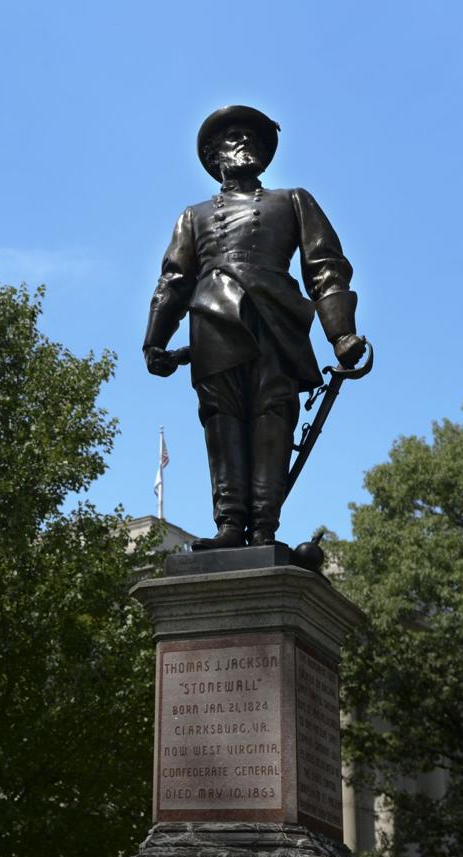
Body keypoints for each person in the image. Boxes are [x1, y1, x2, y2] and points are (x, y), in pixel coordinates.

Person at [143, 105, 366, 550]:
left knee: (272, 417)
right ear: (212, 155)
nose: (245, 143)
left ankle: (264, 527)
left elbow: (325, 267)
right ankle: (229, 525)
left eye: (253, 138)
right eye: (233, 137)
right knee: (221, 420)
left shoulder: (293, 200)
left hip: (276, 320)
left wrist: (340, 334)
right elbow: (173, 279)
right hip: (212, 323)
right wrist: (155, 341)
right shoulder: (194, 215)